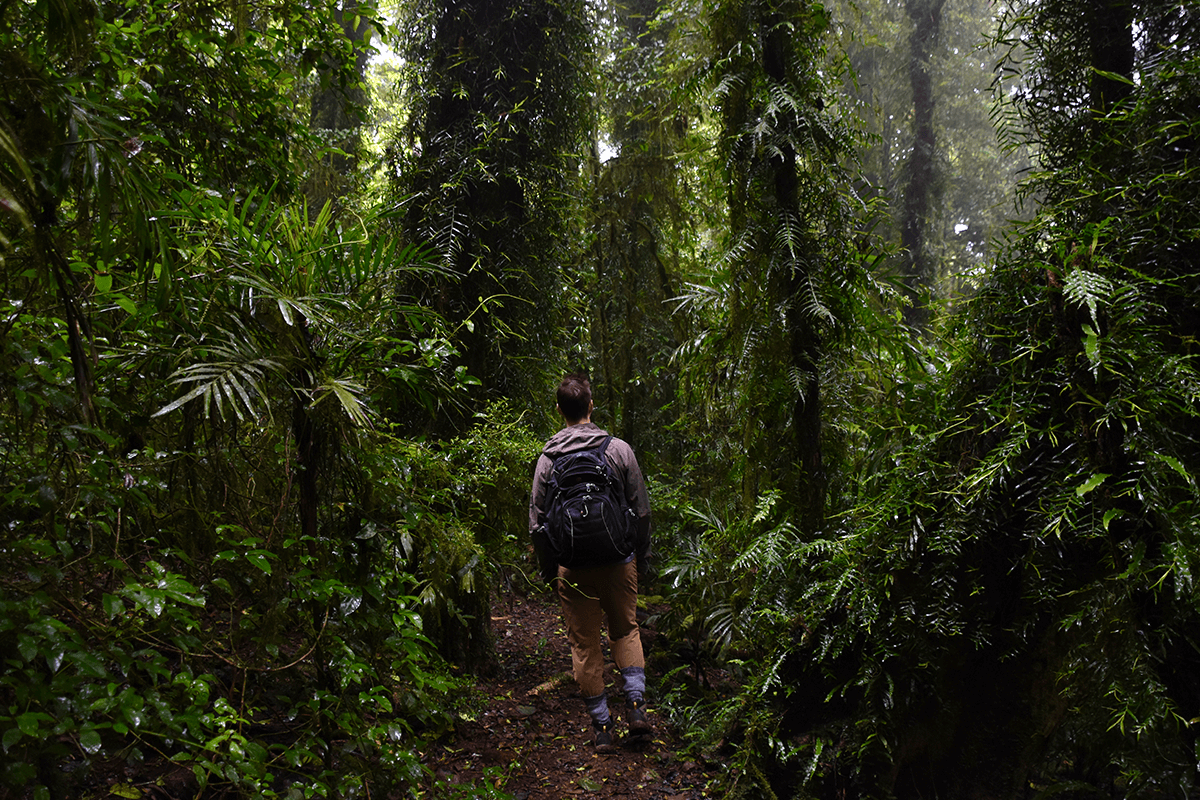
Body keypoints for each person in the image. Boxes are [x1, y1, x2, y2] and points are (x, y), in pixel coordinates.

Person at [529, 373, 652, 753]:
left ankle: (601, 728)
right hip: (619, 559)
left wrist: (551, 569)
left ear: (559, 411)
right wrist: (640, 556)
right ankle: (634, 708)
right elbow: (641, 511)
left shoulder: (548, 459)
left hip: (573, 568)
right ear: (591, 406)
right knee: (626, 630)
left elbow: (537, 523)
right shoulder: (618, 450)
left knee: (584, 646)